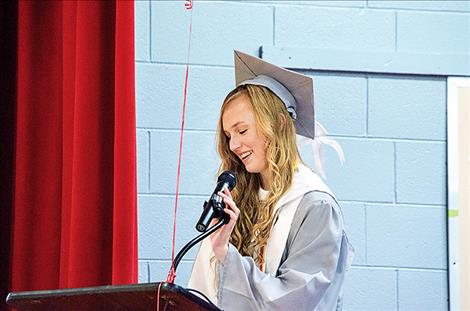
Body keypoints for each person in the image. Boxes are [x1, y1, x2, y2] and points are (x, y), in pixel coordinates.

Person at [188, 51, 354, 310]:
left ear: (277, 124)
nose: (233, 145)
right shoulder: (240, 195)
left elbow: (293, 299)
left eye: (242, 131)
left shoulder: (314, 204)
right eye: (229, 135)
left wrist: (225, 254)